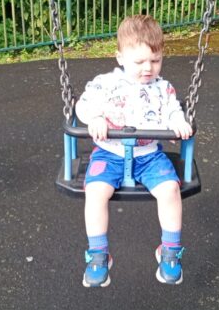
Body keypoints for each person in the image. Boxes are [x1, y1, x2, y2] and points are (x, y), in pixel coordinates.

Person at [75, 14, 193, 288]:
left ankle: (170, 252)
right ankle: (98, 255)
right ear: (120, 57)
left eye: (155, 60)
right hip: (109, 153)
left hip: (149, 155)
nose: (148, 68)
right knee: (94, 192)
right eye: (139, 62)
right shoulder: (105, 84)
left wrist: (177, 122)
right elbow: (82, 105)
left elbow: (174, 110)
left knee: (170, 191)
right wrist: (94, 118)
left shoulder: (163, 89)